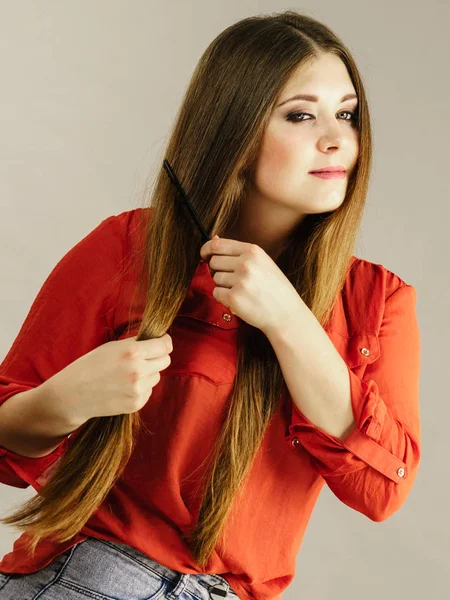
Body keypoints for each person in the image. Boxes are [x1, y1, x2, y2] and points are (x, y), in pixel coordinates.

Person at [0, 9, 421, 600]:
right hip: (98, 577)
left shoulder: (378, 303)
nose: (337, 139)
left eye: (347, 114)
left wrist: (288, 319)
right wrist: (63, 401)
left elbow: (383, 490)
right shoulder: (128, 248)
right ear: (236, 131)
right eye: (301, 115)